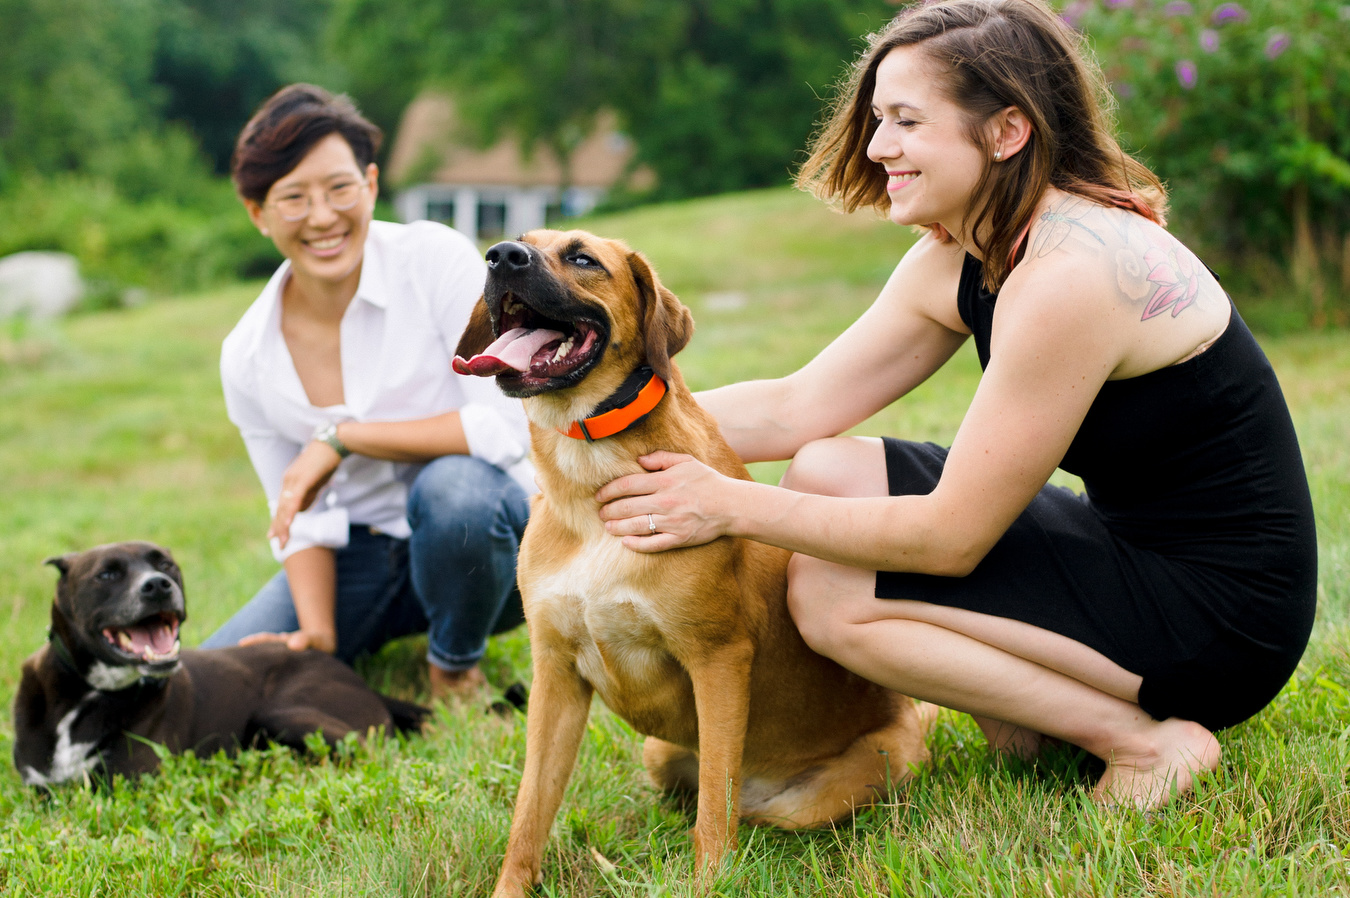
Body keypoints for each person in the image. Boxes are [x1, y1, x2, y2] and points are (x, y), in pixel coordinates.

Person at [593, 0, 1317, 809]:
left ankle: (1148, 744)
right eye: (876, 119)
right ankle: (1036, 714)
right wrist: (596, 433)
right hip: (1129, 548)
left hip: (1220, 620)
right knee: (826, 465)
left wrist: (726, 504)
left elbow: (950, 540)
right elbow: (799, 405)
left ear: (1007, 132)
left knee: (831, 601)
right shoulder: (971, 248)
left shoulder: (1071, 274)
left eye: (906, 120)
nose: (876, 147)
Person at [203, 84, 535, 701]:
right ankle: (346, 638)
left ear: (371, 184)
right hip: (361, 558)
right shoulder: (247, 356)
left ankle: (454, 667)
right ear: (258, 213)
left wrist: (342, 439)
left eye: (338, 188)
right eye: (293, 198)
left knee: (455, 489)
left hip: (489, 543)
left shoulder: (432, 259)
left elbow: (501, 430)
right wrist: (319, 634)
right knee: (215, 679)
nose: (323, 216)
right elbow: (298, 516)